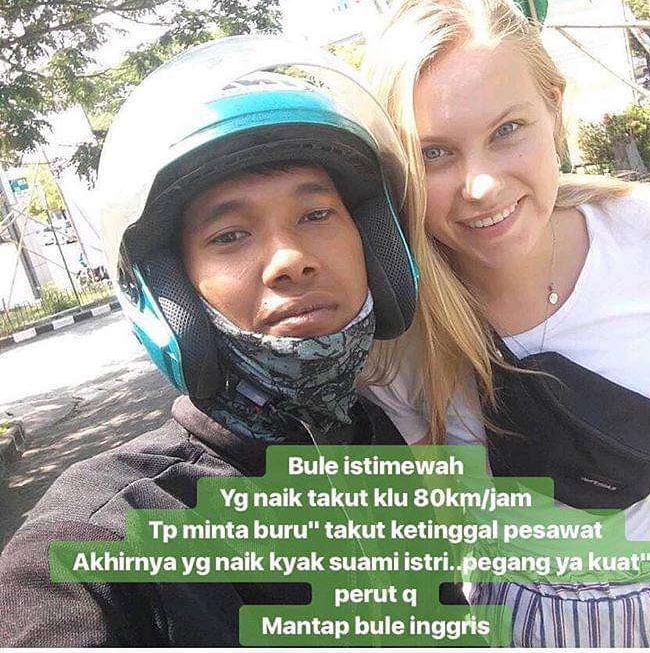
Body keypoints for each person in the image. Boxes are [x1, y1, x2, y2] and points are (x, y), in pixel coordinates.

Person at [361, 0, 650, 647]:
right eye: (435, 153)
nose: (482, 185)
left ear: (554, 110)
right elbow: (427, 525)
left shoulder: (647, 231)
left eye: (507, 130)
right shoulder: (396, 331)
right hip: (537, 623)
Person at [0, 36, 421, 646]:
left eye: (316, 215)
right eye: (230, 235)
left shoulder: (373, 435)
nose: (291, 260)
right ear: (173, 292)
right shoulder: (106, 537)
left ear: (373, 243)